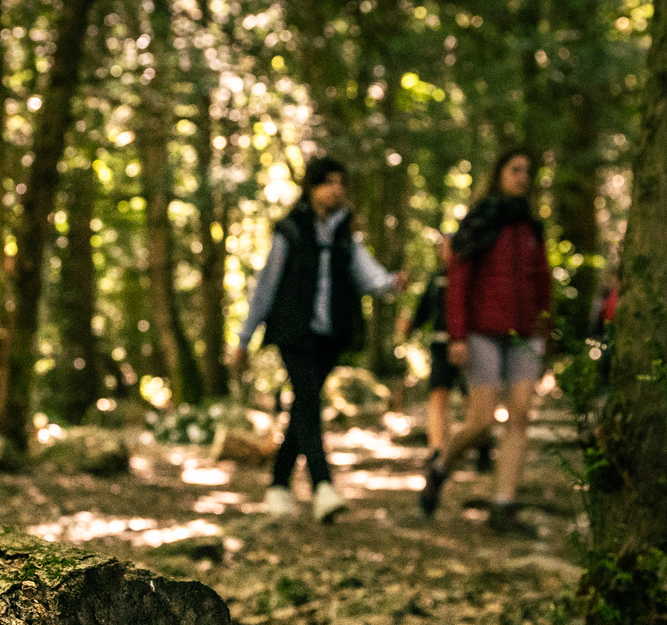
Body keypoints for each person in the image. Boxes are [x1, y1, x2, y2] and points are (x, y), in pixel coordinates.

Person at [230, 156, 406, 522]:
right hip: (293, 332)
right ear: (311, 187)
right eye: (329, 182)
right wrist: (244, 337)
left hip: (331, 335)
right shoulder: (290, 230)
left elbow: (367, 274)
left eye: (341, 182)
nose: (337, 189)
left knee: (304, 408)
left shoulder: (345, 235)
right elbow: (267, 285)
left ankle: (278, 487)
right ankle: (323, 486)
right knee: (308, 400)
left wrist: (390, 284)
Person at [418, 147, 551, 536]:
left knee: (522, 415)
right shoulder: (478, 222)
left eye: (528, 171)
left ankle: (502, 504)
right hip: (482, 334)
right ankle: (441, 467)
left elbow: (542, 280)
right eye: (515, 170)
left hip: (525, 335)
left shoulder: (531, 227)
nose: (522, 177)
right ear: (499, 175)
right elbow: (458, 283)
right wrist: (457, 335)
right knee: (481, 422)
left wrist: (546, 324)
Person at [397, 232, 492, 473]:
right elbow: (424, 309)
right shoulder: (436, 278)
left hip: (470, 347)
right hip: (440, 346)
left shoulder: (475, 276)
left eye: (451, 247)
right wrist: (411, 326)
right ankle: (438, 449)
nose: (446, 252)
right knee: (439, 396)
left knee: (474, 398)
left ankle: (482, 446)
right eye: (443, 247)